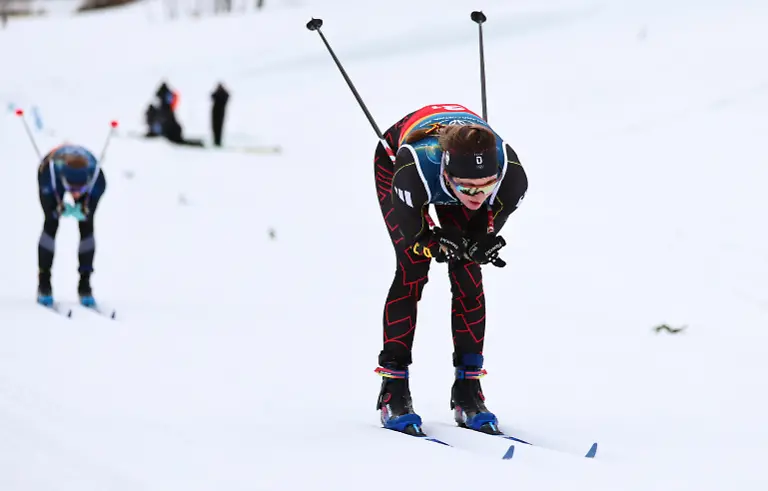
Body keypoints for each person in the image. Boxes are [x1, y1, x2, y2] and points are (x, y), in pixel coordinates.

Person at [373, 103, 528, 436]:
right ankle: (393, 390)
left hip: (451, 171)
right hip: (396, 159)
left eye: (487, 186)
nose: (477, 195)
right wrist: (434, 242)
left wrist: (478, 242)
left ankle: (469, 391)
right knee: (413, 269)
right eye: (468, 188)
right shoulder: (414, 171)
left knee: (468, 270)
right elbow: (416, 235)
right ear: (446, 173)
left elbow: (484, 226)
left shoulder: (512, 179)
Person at [37, 144, 107, 307]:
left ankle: (85, 283)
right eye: (71, 188)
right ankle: (44, 282)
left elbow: (88, 212)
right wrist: (55, 209)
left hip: (83, 175)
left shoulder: (98, 181)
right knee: (51, 223)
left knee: (86, 225)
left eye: (80, 189)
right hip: (52, 164)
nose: (75, 193)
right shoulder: (48, 175)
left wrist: (85, 210)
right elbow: (50, 209)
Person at [210, 83, 230, 147]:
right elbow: (211, 96)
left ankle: (218, 141)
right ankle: (216, 141)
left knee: (219, 128)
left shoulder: (223, 94)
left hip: (220, 112)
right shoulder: (219, 94)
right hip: (216, 112)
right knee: (215, 127)